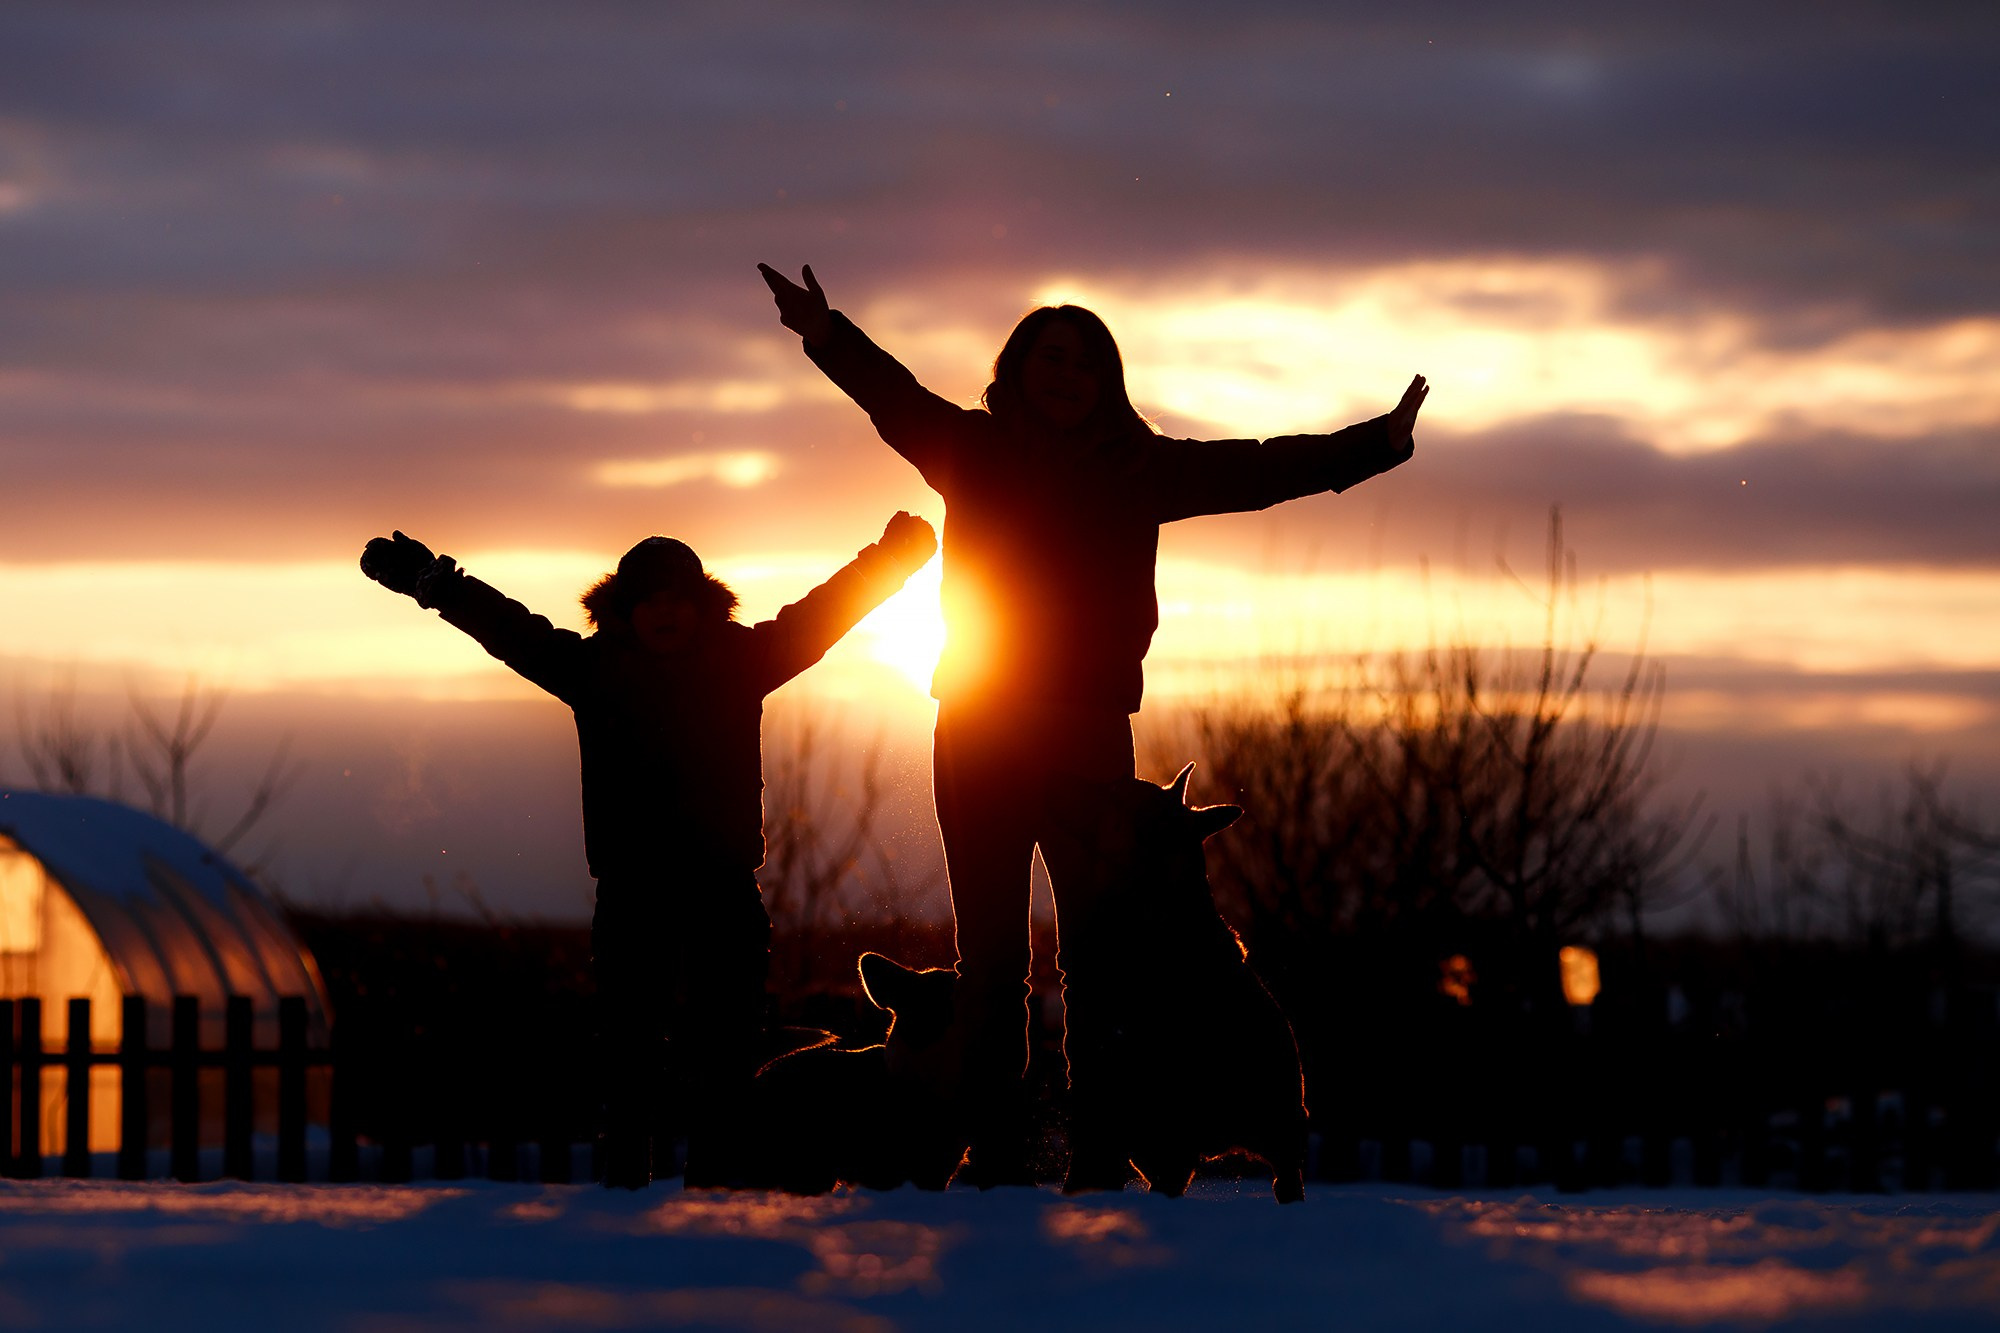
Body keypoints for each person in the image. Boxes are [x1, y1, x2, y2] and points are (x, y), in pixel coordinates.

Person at [758, 262, 1426, 1187]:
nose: (1067, 375)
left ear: (1107, 379)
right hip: (981, 731)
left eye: (1085, 362)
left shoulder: (1141, 468)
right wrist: (827, 335)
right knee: (990, 965)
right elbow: (894, 398)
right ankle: (993, 1158)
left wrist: (1374, 444)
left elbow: (1261, 467)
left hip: (1087, 741)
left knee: (1099, 969)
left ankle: (1095, 1157)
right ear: (1020, 369)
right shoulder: (971, 451)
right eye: (1051, 358)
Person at [360, 511, 937, 1188]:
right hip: (632, 891)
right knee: (629, 1050)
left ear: (701, 609)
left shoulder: (741, 660)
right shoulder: (593, 668)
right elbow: (511, 630)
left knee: (728, 1048)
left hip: (723, 887)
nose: (664, 612)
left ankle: (720, 1183)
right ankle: (627, 1187)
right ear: (624, 610)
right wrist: (435, 584)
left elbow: (822, 615)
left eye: (677, 599)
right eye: (648, 599)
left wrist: (889, 562)